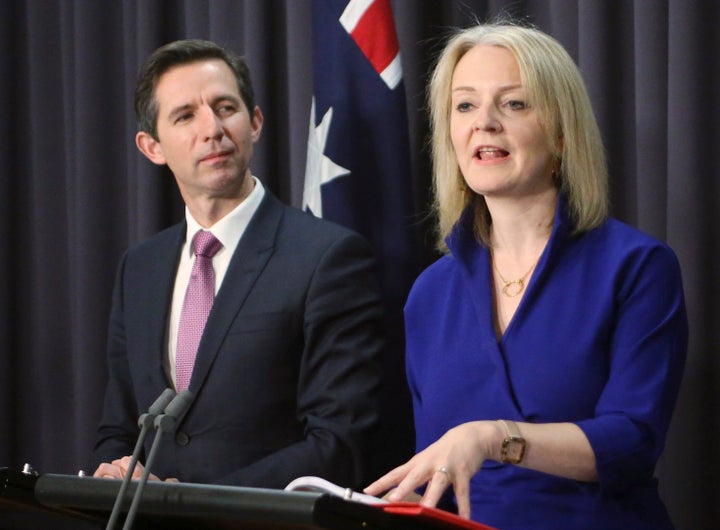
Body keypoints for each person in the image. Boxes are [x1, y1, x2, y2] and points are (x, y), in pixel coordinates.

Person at [364, 22, 688, 530]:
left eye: (513, 104)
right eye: (465, 105)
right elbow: (440, 477)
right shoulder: (430, 294)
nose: (484, 123)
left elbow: (633, 440)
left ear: (561, 132)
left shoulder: (636, 267)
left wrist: (496, 438)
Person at [92, 39, 384, 490]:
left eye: (225, 107)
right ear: (152, 147)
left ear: (255, 122)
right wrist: (112, 467)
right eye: (185, 115)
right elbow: (118, 430)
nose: (213, 128)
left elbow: (338, 443)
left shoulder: (328, 258)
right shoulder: (140, 269)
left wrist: (201, 504)